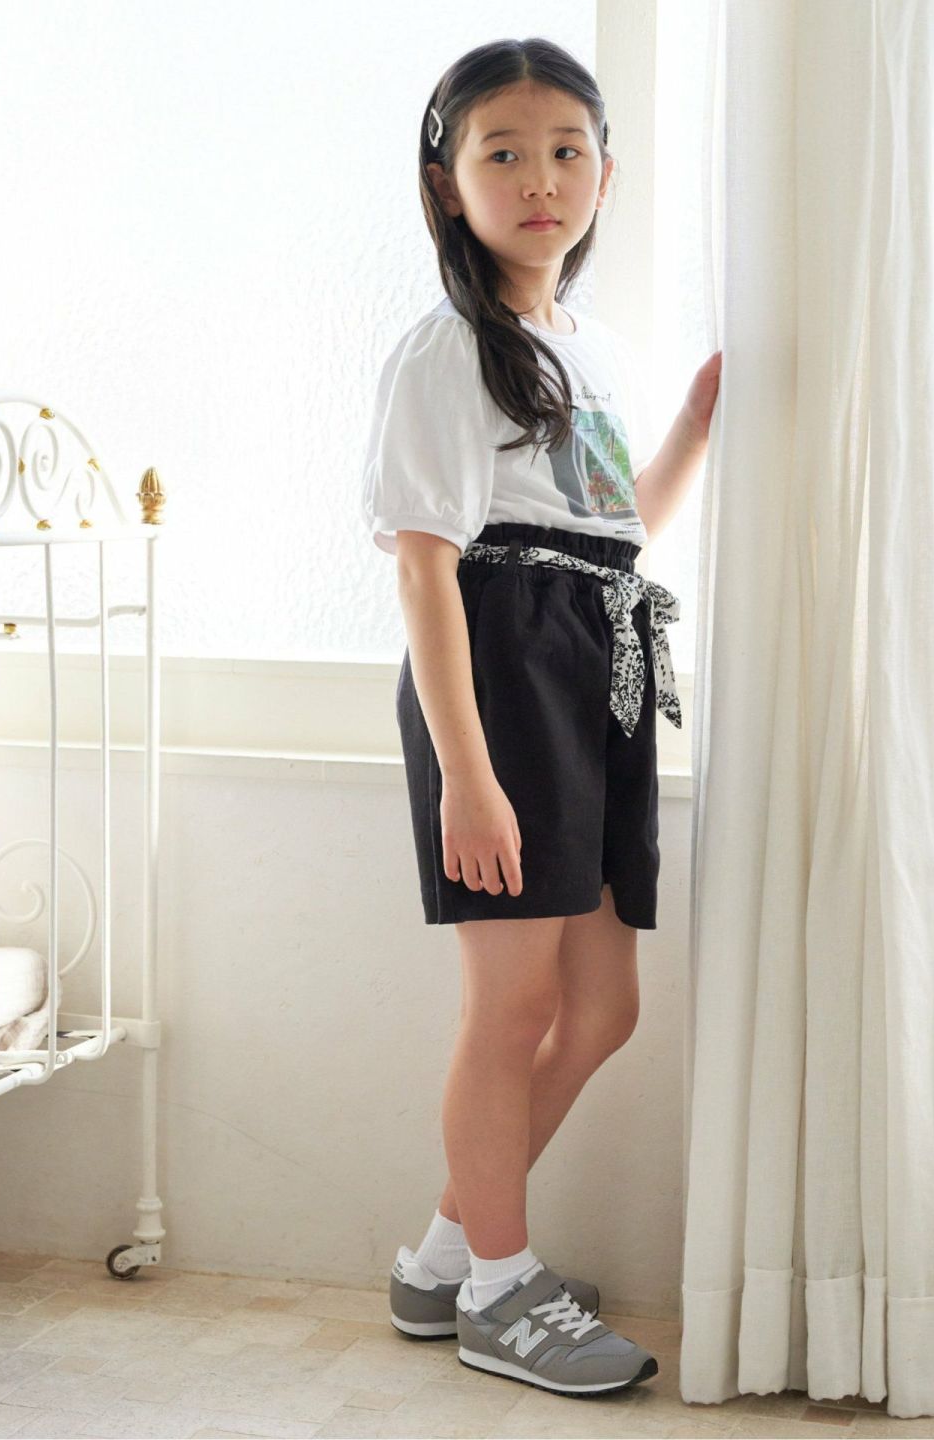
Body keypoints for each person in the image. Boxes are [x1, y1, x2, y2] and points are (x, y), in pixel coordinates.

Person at [360, 36, 721, 1397]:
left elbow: (617, 527)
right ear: (446, 184)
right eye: (502, 153)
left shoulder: (589, 349)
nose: (539, 178)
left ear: (604, 175)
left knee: (603, 1005)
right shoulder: (447, 351)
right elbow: (424, 568)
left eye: (567, 151)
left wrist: (697, 421)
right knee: (511, 1005)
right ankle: (502, 1291)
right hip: (500, 676)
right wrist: (469, 774)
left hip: (593, 666)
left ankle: (450, 1254)